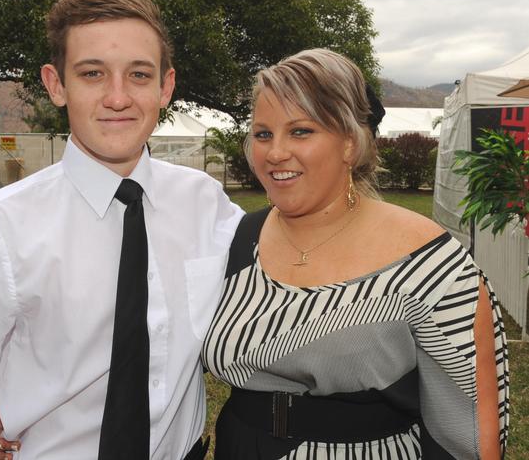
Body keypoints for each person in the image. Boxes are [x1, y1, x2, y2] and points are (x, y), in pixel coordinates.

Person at [0, 0, 243, 460]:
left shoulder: (207, 204)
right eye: (92, 74)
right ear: (56, 84)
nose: (118, 97)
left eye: (140, 75)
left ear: (167, 86)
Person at [201, 48, 509, 459]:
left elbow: (470, 431)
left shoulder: (430, 262)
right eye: (262, 133)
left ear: (350, 143)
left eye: (300, 131)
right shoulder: (239, 239)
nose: (274, 153)